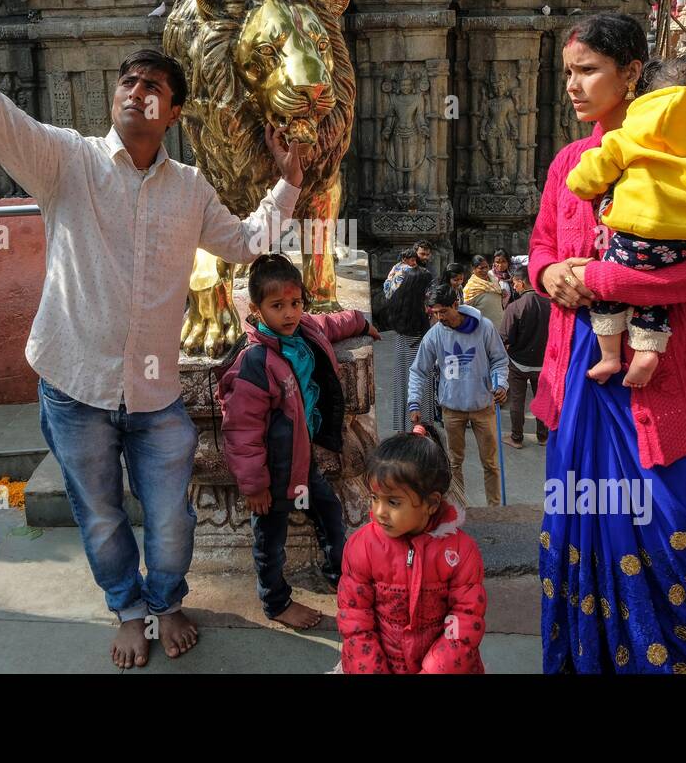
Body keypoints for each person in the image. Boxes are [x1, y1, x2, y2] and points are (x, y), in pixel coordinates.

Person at [0, 0, 304, 669]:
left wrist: (287, 184)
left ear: (175, 112)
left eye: (153, 85)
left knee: (170, 522)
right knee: (98, 516)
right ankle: (128, 610)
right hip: (74, 387)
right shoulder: (66, 162)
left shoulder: (189, 188)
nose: (136, 90)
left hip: (156, 394)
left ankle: (168, 599)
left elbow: (248, 244)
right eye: (128, 80)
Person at [532, 12, 686, 673]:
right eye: (568, 72)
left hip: (660, 378)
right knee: (577, 526)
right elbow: (540, 246)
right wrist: (550, 275)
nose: (573, 85)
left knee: (666, 533)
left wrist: (610, 277)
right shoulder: (571, 160)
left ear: (630, 72)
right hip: (581, 375)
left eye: (588, 70)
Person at [565, 53, 686, 387]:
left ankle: (610, 356)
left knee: (611, 293)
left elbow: (585, 180)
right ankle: (648, 351)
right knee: (657, 293)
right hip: (685, 244)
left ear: (643, 98)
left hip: (632, 240)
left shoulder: (628, 137)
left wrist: (600, 276)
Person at [217, 253, 378, 629]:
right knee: (270, 544)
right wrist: (254, 486)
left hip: (304, 464)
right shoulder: (256, 361)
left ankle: (341, 578)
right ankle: (276, 602)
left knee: (330, 515)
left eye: (295, 303)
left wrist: (361, 322)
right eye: (277, 306)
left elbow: (331, 324)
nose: (289, 313)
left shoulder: (304, 329)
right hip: (273, 475)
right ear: (257, 311)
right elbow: (241, 432)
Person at [336, 431, 486, 674]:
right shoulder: (361, 547)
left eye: (393, 502)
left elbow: (465, 623)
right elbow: (355, 622)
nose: (380, 511)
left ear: (432, 504)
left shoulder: (461, 552)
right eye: (375, 498)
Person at [408, 282, 508, 506]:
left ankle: (494, 508)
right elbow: (418, 370)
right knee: (454, 463)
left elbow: (499, 360)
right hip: (452, 409)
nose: (440, 317)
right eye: (435, 313)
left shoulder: (485, 327)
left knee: (491, 463)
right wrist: (414, 402)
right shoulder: (434, 335)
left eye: (444, 311)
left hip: (483, 406)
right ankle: (460, 507)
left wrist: (501, 384)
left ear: (456, 305)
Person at [376, 265, 437, 433]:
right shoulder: (422, 307)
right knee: (420, 385)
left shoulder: (399, 299)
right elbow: (428, 329)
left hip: (402, 345)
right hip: (419, 346)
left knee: (403, 386)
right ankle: (419, 428)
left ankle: (404, 428)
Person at [502, 258, 550, 448]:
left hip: (518, 362)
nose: (514, 287)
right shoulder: (551, 304)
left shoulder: (515, 307)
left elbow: (504, 337)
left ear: (521, 282)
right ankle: (543, 436)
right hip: (543, 361)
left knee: (517, 400)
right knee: (542, 399)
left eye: (514, 283)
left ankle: (517, 437)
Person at [464, 254, 506, 332]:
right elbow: (466, 312)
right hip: (483, 329)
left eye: (486, 267)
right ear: (473, 269)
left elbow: (495, 291)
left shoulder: (492, 279)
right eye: (481, 268)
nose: (485, 270)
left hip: (499, 325)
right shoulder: (470, 288)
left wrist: (501, 292)